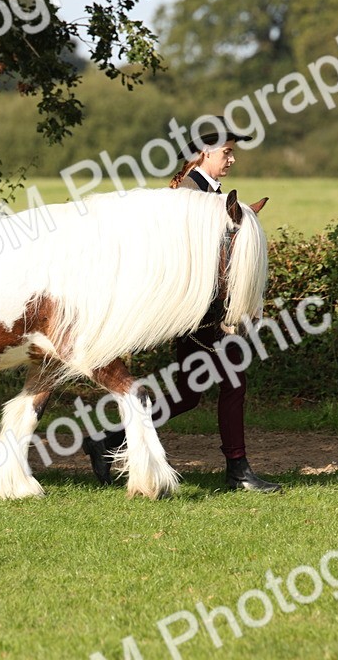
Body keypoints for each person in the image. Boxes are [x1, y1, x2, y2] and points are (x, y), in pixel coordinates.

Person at [82, 130, 282, 493]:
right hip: (201, 315)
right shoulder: (190, 195)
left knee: (189, 394)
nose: (232, 159)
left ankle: (108, 442)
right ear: (204, 153)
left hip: (205, 313)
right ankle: (237, 471)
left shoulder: (209, 194)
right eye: (227, 152)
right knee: (234, 383)